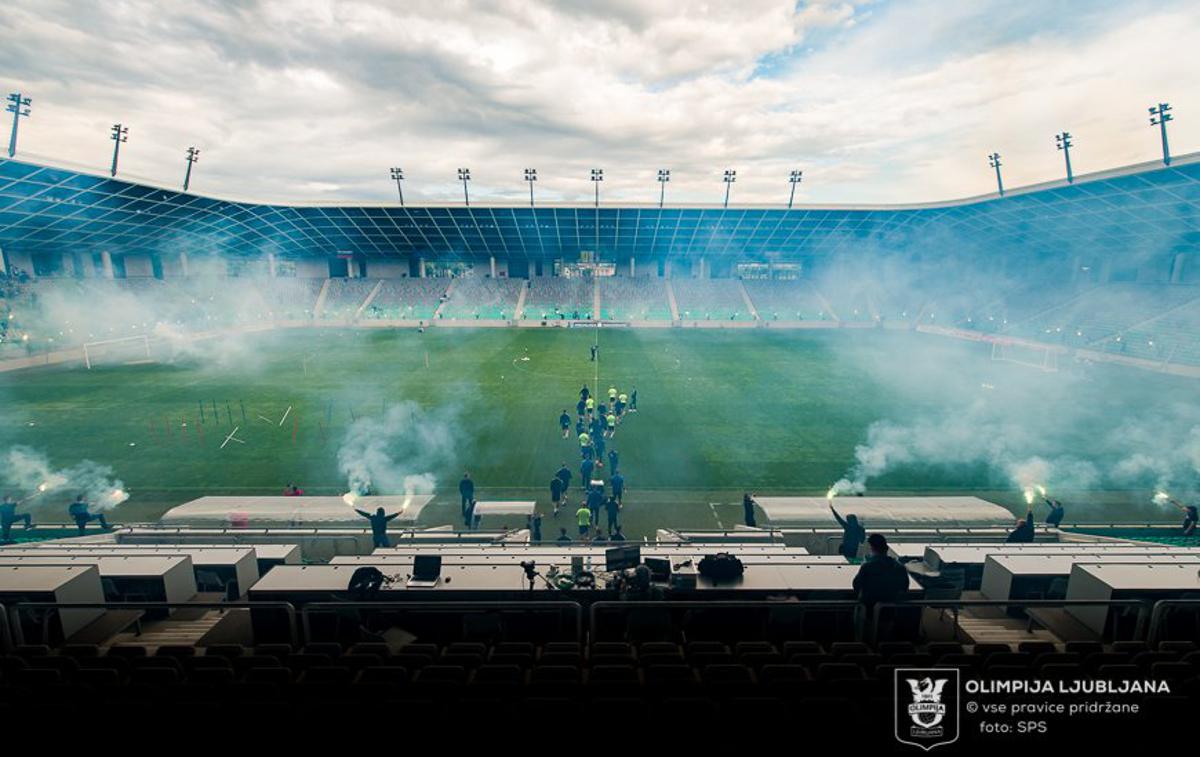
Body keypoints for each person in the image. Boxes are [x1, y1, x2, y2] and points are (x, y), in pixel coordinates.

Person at [851, 534, 909, 629]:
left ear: (872, 548)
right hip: (890, 610)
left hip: (868, 610)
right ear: (886, 549)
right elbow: (904, 588)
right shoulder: (900, 568)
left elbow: (856, 586)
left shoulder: (867, 567)